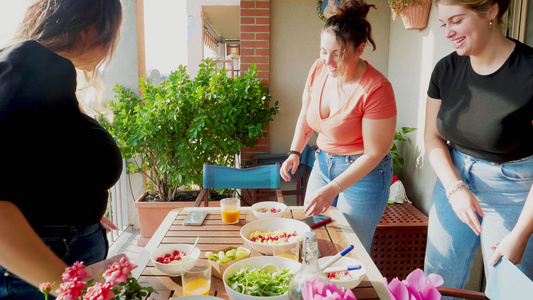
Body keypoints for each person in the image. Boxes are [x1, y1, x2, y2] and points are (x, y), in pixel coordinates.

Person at [0, 0, 124, 298]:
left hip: (59, 252)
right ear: (91, 31)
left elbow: (28, 162)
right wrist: (69, 287)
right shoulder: (31, 66)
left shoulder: (38, 71)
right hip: (41, 273)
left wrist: (75, 201)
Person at [423, 0, 533, 294]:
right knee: (439, 284)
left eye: (456, 21)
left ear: (491, 11)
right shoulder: (445, 70)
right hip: (453, 180)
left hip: (514, 192)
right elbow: (432, 138)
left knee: (509, 289)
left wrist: (522, 234)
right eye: (443, 24)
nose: (448, 32)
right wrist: (454, 188)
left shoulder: (529, 71)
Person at [280, 0, 397, 253]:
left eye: (338, 53)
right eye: (324, 51)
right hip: (323, 164)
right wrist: (295, 152)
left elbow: (374, 153)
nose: (328, 61)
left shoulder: (376, 88)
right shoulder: (318, 69)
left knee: (349, 249)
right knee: (311, 238)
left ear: (360, 49)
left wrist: (332, 188)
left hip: (365, 175)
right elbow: (306, 113)